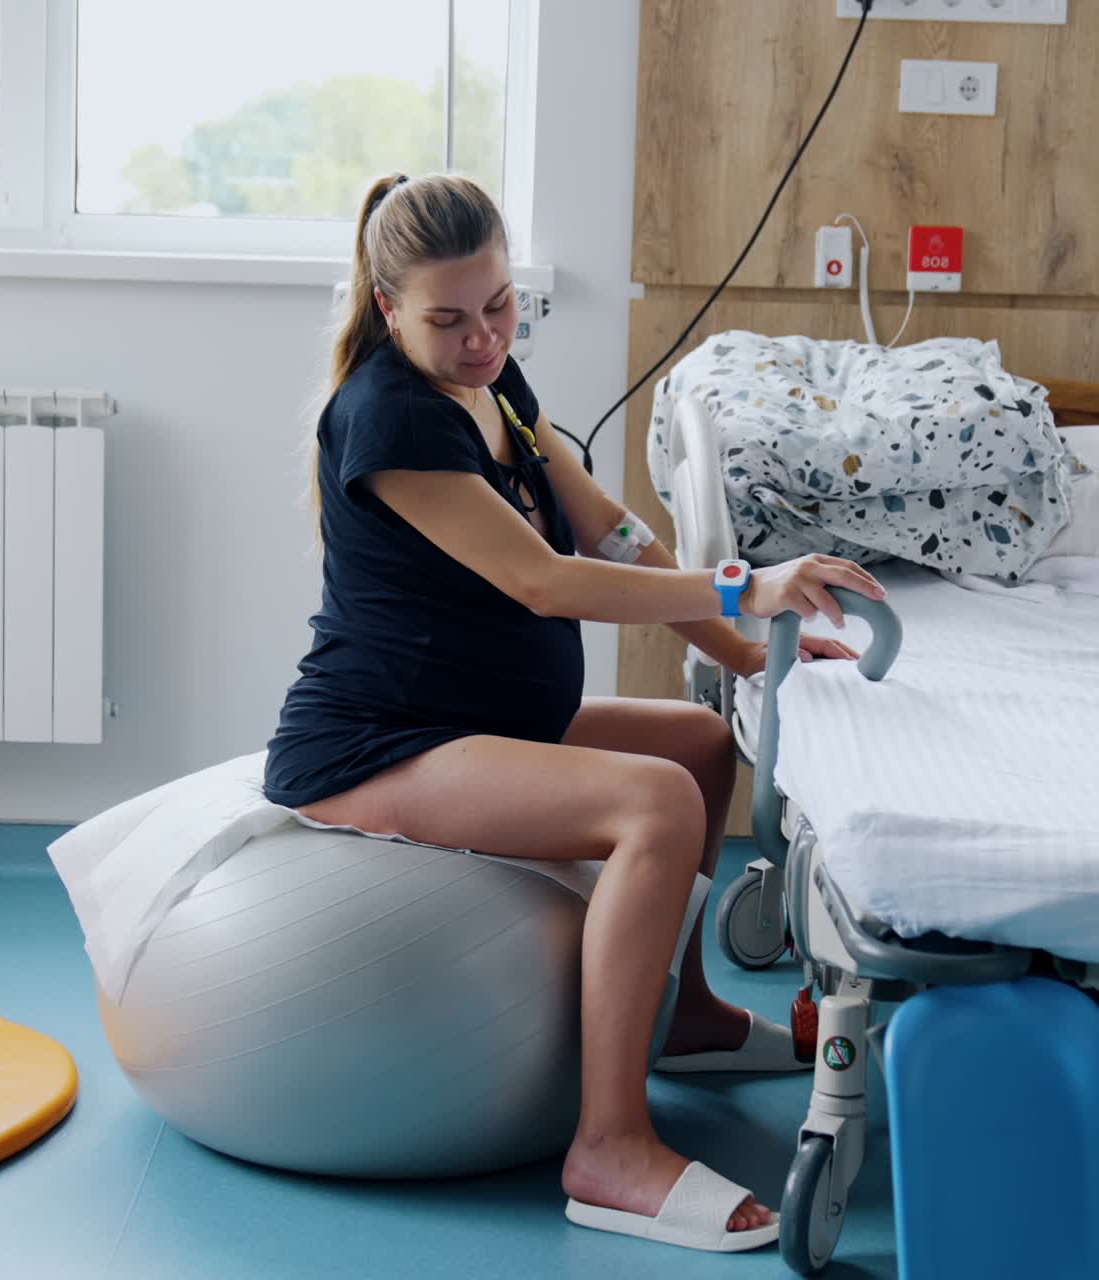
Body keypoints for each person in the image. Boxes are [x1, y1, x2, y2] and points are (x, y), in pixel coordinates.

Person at [264, 172, 884, 1254]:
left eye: (498, 305)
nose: (481, 337)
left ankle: (682, 1015)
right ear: (385, 306)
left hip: (478, 714)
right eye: (448, 319)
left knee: (695, 742)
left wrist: (740, 647)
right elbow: (547, 580)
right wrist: (751, 586)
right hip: (382, 739)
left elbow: (607, 532)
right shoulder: (387, 418)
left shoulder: (495, 389)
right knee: (650, 803)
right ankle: (606, 1144)